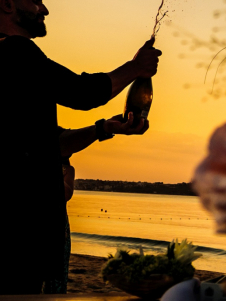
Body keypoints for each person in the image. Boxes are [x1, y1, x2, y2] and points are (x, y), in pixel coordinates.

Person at [0, 0, 161, 296]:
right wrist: (135, 68)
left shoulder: (4, 63)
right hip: (6, 224)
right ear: (7, 5)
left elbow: (52, 144)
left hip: (7, 223)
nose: (45, 9)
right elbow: (82, 92)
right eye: (35, 1)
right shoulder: (12, 52)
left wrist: (104, 129)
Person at [42, 116, 151, 294]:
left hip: (57, 223)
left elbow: (66, 193)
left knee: (55, 276)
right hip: (43, 220)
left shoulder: (68, 170)